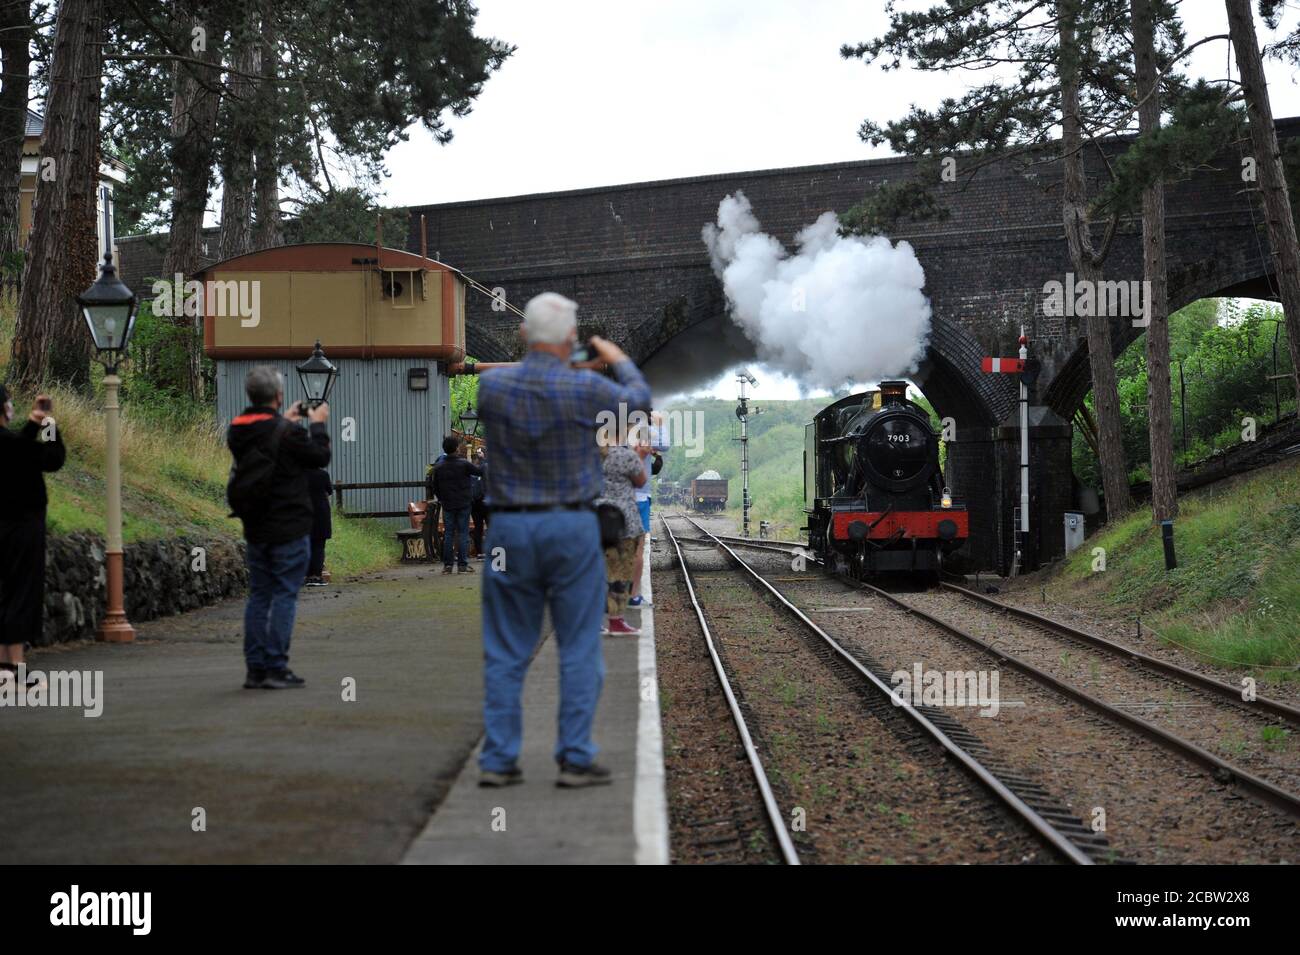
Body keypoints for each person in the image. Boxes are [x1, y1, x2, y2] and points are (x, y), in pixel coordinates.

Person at [476, 291, 651, 788]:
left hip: (509, 528)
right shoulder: (587, 392)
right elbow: (638, 402)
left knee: (507, 646)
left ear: (523, 335)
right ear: (571, 339)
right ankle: (574, 757)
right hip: (572, 527)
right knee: (578, 645)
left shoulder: (493, 388)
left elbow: (525, 382)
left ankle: (498, 760)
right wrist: (616, 359)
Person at [227, 366, 331, 690]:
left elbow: (267, 440)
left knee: (259, 595)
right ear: (278, 395)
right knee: (285, 594)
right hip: (289, 525)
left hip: (255, 525)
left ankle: (255, 668)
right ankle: (276, 665)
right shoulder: (289, 433)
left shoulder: (237, 428)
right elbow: (319, 456)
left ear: (250, 395)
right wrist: (317, 425)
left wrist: (285, 420)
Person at [0, 385, 65, 690]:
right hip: (22, 527)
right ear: (3, 409)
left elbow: (17, 446)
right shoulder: (15, 447)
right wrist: (49, 425)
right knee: (21, 591)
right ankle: (15, 667)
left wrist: (33, 422)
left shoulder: (13, 444)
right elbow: (51, 459)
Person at [595, 429, 647, 636]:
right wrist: (641, 457)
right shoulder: (626, 456)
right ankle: (616, 621)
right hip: (624, 520)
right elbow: (641, 481)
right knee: (620, 572)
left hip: (596, 517)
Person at [628, 413, 668, 607]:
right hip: (640, 497)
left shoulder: (611, 434)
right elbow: (665, 445)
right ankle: (633, 595)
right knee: (638, 548)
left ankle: (614, 592)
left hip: (616, 497)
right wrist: (660, 424)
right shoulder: (644, 431)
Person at [431, 434, 483, 574]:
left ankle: (448, 566)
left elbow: (434, 486)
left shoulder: (439, 467)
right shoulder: (464, 464)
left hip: (448, 504)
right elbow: (480, 472)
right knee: (463, 533)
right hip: (464, 503)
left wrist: (442, 498)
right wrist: (482, 459)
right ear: (456, 448)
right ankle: (462, 565)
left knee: (449, 533)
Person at [305, 468, 332, 587]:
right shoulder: (323, 474)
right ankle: (316, 576)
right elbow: (328, 492)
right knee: (319, 546)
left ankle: (306, 575)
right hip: (321, 513)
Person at [469, 447, 488, 559]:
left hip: (474, 503)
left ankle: (480, 552)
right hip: (485, 501)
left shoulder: (471, 469)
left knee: (478, 527)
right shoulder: (488, 467)